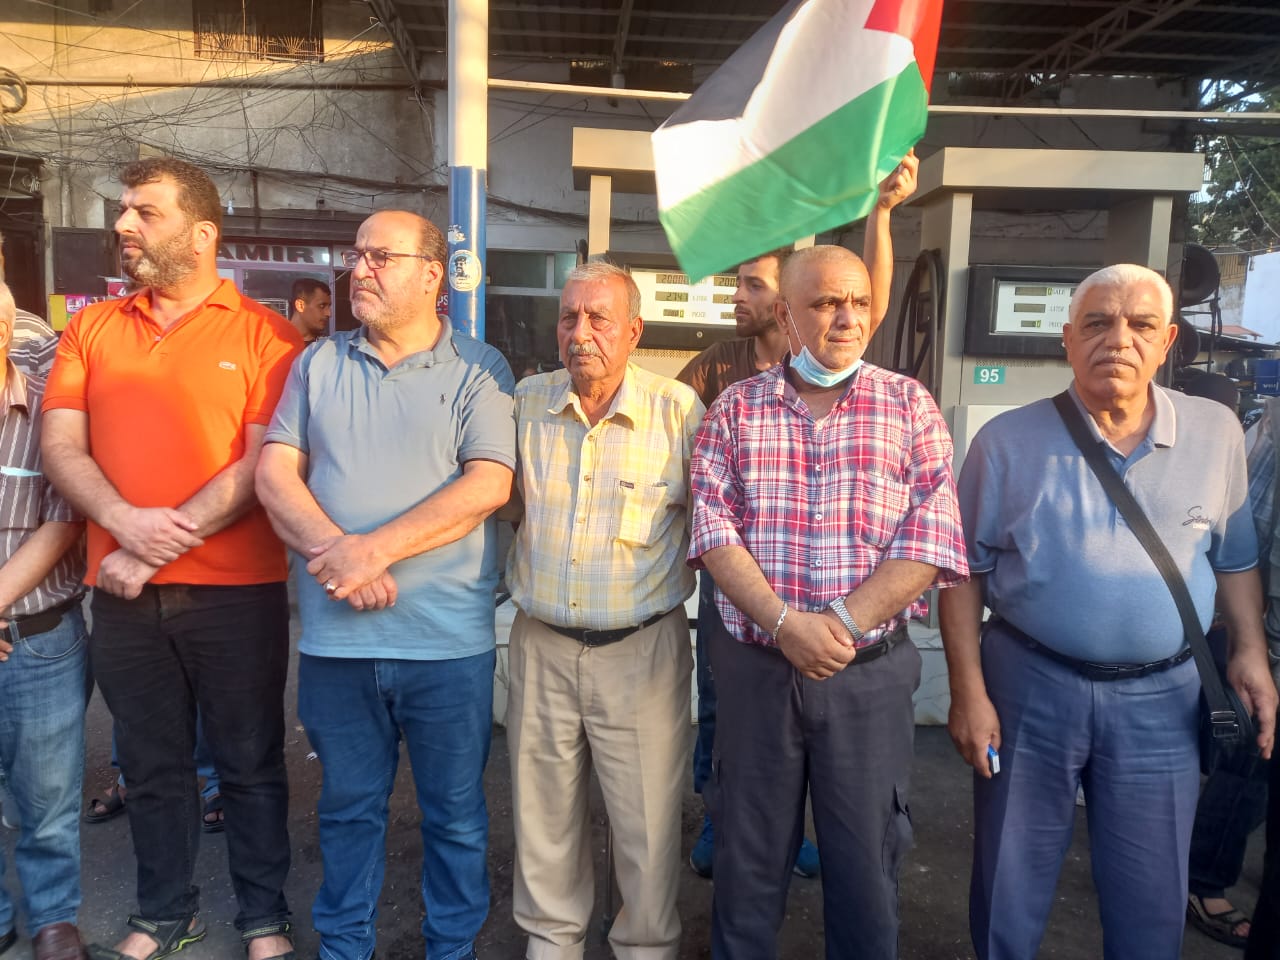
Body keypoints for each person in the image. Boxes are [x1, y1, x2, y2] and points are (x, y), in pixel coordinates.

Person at [938, 263, 1279, 960]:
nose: (1118, 339)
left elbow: (1235, 558)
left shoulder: (1215, 432)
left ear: (1168, 341)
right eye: (1097, 323)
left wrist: (1250, 652)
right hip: (1029, 690)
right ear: (1067, 340)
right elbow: (961, 574)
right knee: (1008, 887)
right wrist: (968, 693)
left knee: (1150, 899)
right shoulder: (1005, 442)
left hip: (1165, 700)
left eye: (1140, 324)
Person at [41, 156, 302, 960]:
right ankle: (164, 913)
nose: (124, 225)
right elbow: (61, 445)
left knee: (249, 762)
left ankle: (264, 917)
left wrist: (147, 548)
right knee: (152, 768)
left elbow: (260, 466)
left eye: (145, 213)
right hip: (123, 597)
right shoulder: (91, 329)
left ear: (201, 234)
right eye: (124, 211)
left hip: (236, 596)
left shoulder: (268, 335)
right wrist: (122, 522)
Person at [688, 244, 968, 959]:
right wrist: (784, 624)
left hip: (867, 676)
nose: (848, 318)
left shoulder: (909, 405)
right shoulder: (736, 408)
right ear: (787, 315)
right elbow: (713, 528)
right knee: (747, 869)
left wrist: (836, 625)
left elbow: (932, 535)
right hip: (757, 676)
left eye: (860, 303)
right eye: (826, 303)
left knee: (868, 869)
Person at [256, 210, 515, 960]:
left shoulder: (480, 368)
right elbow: (274, 474)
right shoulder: (318, 363)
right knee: (346, 810)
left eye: (380, 257)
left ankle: (452, 948)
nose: (359, 270)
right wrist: (340, 554)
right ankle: (344, 947)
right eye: (356, 256)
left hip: (446, 646)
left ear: (432, 275)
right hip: (337, 645)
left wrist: (371, 553)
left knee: (455, 817)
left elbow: (488, 485)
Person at [679, 154, 919, 880]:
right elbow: (693, 466)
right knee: (725, 718)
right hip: (744, 602)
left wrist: (881, 214)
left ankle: (799, 834)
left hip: (848, 636)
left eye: (752, 285)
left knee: (846, 784)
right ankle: (728, 820)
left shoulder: (880, 387)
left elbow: (865, 296)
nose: (738, 296)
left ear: (781, 302)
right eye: (740, 284)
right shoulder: (720, 368)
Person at [504, 260, 703, 960]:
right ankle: (551, 945)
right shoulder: (525, 403)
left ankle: (645, 948)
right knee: (542, 818)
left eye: (599, 319)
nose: (580, 333)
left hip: (642, 651)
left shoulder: (677, 411)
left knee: (648, 824)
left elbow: (711, 525)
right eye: (569, 318)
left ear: (634, 331)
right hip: (542, 644)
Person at [0, 280, 89, 960]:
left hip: (40, 638)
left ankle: (54, 917)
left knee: (48, 796)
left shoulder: (47, 406)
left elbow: (63, 521)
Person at [288, 278, 332, 343]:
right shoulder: (276, 344)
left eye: (329, 306)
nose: (329, 313)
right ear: (300, 305)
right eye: (322, 306)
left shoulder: (328, 346)